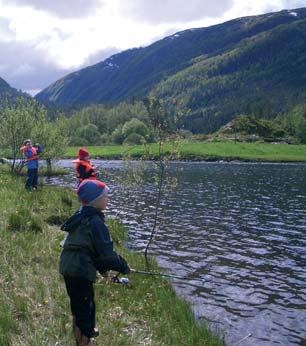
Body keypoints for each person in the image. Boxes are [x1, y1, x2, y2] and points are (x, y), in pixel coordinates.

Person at [59, 179, 130, 346]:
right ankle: (85, 339)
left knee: (79, 306)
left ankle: (82, 333)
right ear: (95, 200)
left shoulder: (82, 215)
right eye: (105, 196)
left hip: (69, 266)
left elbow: (91, 250)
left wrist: (104, 272)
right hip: (80, 270)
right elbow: (106, 255)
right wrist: (124, 267)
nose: (108, 199)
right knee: (86, 310)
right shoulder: (96, 222)